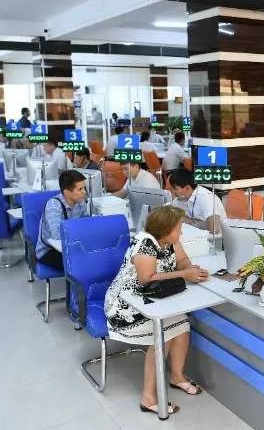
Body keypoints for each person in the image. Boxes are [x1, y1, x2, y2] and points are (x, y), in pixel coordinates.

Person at [104, 206, 207, 416]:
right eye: (178, 228)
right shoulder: (145, 243)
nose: (181, 231)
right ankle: (148, 398)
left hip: (152, 299)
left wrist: (190, 269)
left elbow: (182, 261)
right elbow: (146, 278)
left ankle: (176, 377)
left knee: (182, 324)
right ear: (165, 229)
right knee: (163, 333)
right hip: (125, 306)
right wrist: (184, 274)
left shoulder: (170, 240)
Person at [35, 170, 88, 271]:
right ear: (66, 192)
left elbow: (85, 225)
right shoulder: (53, 206)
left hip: (71, 246)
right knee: (81, 264)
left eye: (84, 188)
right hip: (49, 251)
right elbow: (57, 236)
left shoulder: (80, 203)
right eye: (80, 189)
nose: (84, 192)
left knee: (92, 258)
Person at [165, 168, 226, 233]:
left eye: (175, 189)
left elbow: (215, 229)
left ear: (187, 188)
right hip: (194, 234)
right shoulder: (178, 199)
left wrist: (193, 223)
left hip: (215, 236)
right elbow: (174, 217)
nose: (172, 192)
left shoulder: (205, 198)